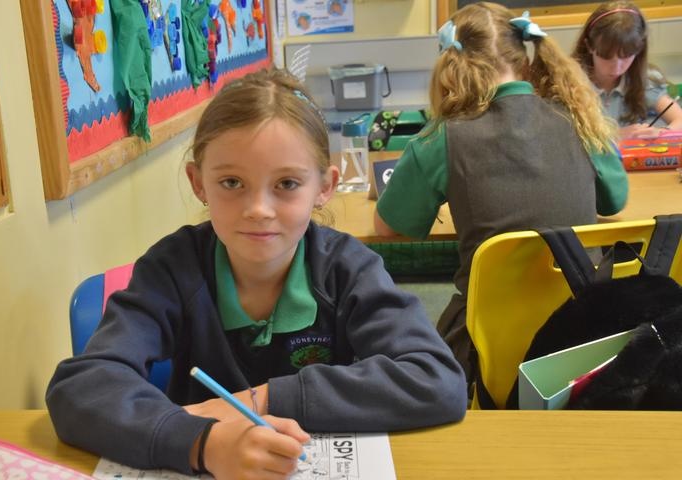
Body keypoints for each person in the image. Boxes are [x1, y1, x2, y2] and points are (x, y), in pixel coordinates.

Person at [46, 68, 467, 479]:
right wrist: (203, 444)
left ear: (324, 186)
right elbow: (81, 387)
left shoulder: (348, 269)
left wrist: (262, 399)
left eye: (287, 184)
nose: (259, 209)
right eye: (232, 183)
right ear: (198, 182)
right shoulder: (173, 267)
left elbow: (437, 379)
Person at [374, 3, 629, 388]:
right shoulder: (579, 119)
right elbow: (615, 200)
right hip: (583, 332)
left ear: (451, 67)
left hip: (486, 344)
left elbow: (388, 226)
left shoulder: (442, 137)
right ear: (525, 64)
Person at [572, 1, 682, 138]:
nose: (616, 68)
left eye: (626, 57)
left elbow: (680, 120)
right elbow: (559, 138)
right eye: (606, 57)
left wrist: (661, 133)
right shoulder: (568, 82)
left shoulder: (645, 79)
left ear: (639, 49)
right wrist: (614, 136)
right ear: (589, 46)